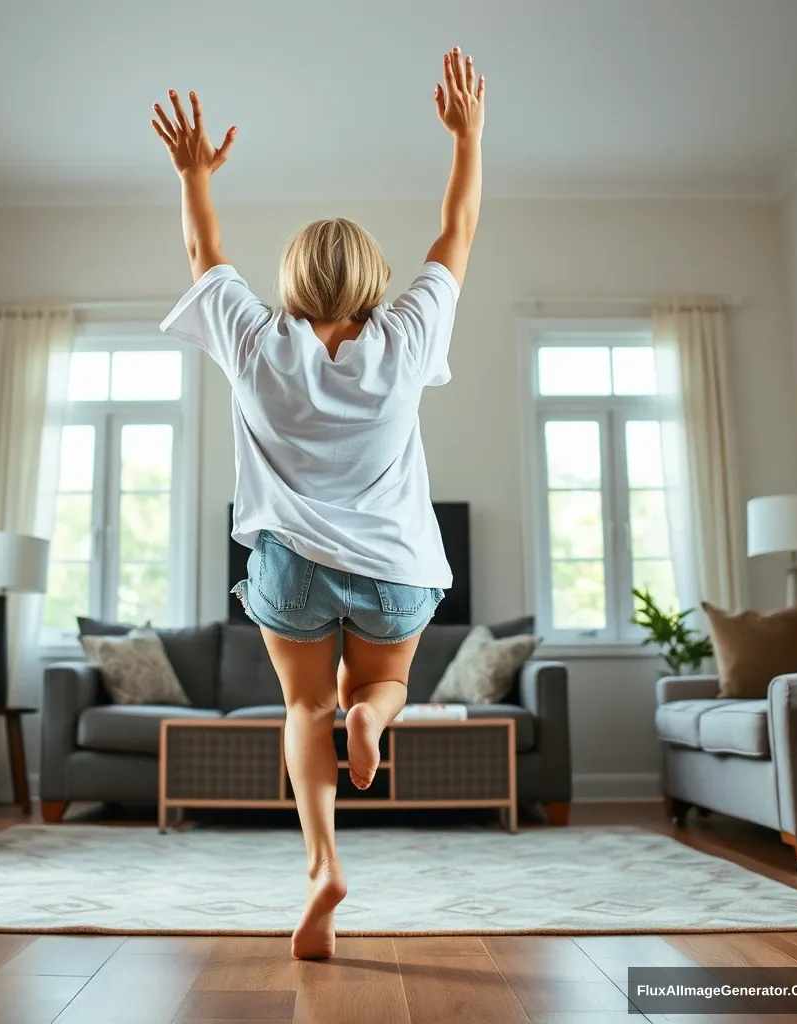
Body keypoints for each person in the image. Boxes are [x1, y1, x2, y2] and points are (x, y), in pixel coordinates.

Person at [152, 45, 484, 960]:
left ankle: (322, 866)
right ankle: (374, 720)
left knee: (305, 711)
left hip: (290, 569)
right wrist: (467, 137)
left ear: (294, 278)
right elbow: (458, 229)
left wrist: (194, 174)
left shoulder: (257, 342)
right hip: (394, 570)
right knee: (378, 684)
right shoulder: (407, 338)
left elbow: (201, 251)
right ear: (374, 280)